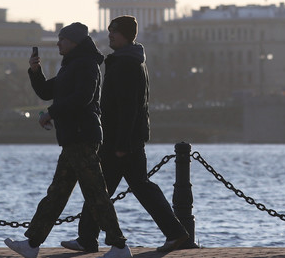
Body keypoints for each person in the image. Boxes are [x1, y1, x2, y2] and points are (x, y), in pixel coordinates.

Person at [61, 16, 189, 253]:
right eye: (109, 31)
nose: (110, 35)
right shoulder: (130, 60)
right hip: (125, 138)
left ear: (127, 36)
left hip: (121, 140)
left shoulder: (126, 64)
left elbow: (129, 107)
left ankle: (89, 238)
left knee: (102, 188)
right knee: (116, 187)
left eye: (114, 33)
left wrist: (121, 143)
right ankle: (88, 238)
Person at [4, 22, 133, 258]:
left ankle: (120, 247)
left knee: (96, 194)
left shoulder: (86, 65)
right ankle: (32, 244)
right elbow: (46, 91)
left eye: (62, 39)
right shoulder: (72, 65)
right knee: (57, 193)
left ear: (74, 42)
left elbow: (82, 97)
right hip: (73, 139)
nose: (58, 43)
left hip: (82, 137)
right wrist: (35, 72)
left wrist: (51, 113)